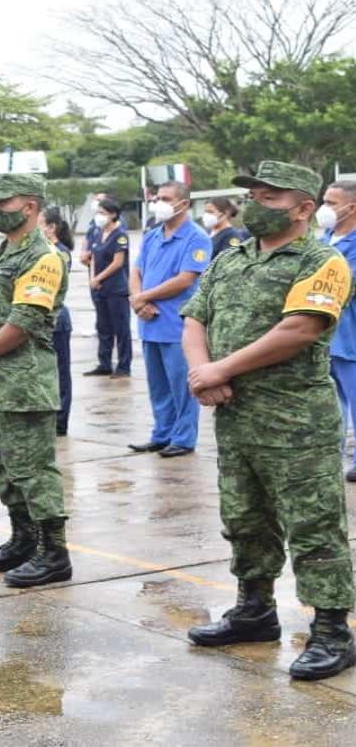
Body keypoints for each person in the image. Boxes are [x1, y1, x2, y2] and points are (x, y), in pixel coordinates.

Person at [182, 160, 355, 681]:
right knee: (245, 521)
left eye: (271, 197)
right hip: (236, 417)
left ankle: (331, 632)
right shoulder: (231, 258)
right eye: (254, 195)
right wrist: (201, 373)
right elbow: (195, 316)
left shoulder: (322, 262)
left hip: (296, 423)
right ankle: (254, 610)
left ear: (304, 208)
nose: (257, 203)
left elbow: (300, 329)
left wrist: (220, 368)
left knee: (314, 527)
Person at [0, 173, 71, 587]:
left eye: (3, 203)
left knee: (33, 470)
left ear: (31, 207)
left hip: (23, 382)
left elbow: (23, 321)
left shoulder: (44, 257)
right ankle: (23, 540)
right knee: (0, 465)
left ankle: (54, 552)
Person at [128, 181, 211, 458]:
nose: (158, 203)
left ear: (183, 204)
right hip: (149, 322)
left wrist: (143, 298)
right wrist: (138, 299)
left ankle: (184, 438)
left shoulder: (196, 238)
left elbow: (186, 279)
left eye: (165, 198)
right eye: (157, 198)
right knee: (158, 386)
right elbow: (136, 270)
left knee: (182, 387)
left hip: (177, 326)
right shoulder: (153, 235)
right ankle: (162, 434)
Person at [321, 180, 356, 481]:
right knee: (332, 402)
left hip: (351, 334)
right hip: (325, 336)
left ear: (351, 207)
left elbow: (345, 284)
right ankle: (332, 453)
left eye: (332, 203)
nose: (325, 209)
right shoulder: (325, 239)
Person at [83, 198, 132, 377]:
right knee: (103, 328)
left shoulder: (120, 235)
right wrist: (93, 278)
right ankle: (104, 363)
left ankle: (124, 366)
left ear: (113, 214)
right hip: (100, 288)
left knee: (121, 329)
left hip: (116, 289)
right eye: (98, 213)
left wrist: (99, 278)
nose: (99, 216)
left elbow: (117, 263)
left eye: (103, 213)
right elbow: (94, 257)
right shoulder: (98, 233)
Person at [39, 207, 74, 436]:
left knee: (60, 373)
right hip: (42, 320)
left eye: (39, 223)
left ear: (51, 228)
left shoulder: (59, 253)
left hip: (56, 319)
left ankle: (60, 421)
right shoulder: (42, 250)